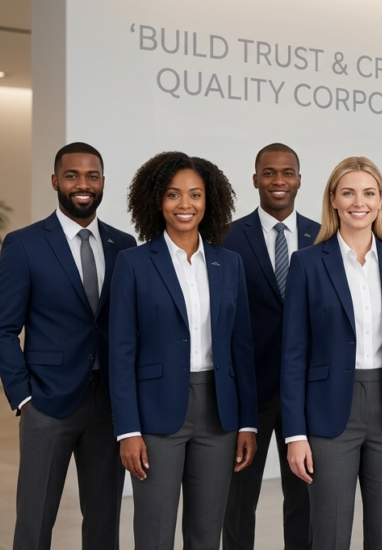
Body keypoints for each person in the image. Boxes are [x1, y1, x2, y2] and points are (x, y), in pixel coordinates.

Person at [0, 142, 136, 550]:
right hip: (47, 402)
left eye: (92, 176)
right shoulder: (25, 244)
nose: (82, 184)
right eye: (72, 175)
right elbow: (1, 329)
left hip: (109, 404)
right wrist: (23, 397)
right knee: (35, 521)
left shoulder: (124, 246)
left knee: (105, 521)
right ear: (55, 181)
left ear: (103, 182)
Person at [109, 151, 259, 550]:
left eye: (195, 195)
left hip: (219, 412)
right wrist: (128, 429)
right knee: (155, 531)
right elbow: (120, 352)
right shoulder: (134, 263)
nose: (185, 205)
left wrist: (247, 423)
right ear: (157, 200)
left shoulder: (230, 263)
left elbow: (241, 347)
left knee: (207, 532)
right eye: (174, 195)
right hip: (156, 414)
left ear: (209, 201)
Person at [281, 156, 382, 550]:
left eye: (368, 192)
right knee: (329, 535)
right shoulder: (307, 263)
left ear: (381, 200)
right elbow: (294, 353)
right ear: (333, 199)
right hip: (330, 414)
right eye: (348, 192)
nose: (358, 202)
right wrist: (295, 433)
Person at [222, 143, 320, 550]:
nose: (278, 181)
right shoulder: (226, 237)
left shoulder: (323, 236)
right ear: (255, 179)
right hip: (250, 390)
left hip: (308, 392)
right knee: (238, 498)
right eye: (269, 172)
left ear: (299, 179)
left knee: (305, 497)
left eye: (287, 172)